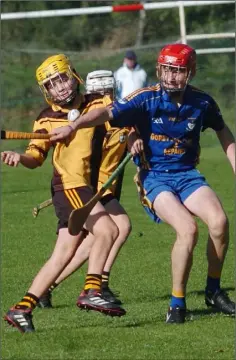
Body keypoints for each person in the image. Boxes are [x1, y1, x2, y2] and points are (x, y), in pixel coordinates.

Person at [50, 43, 235, 324]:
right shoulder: (146, 98)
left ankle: (213, 291)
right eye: (168, 70)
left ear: (190, 73)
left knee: (220, 223)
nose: (172, 77)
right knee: (188, 229)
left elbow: (224, 133)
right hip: (156, 177)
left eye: (179, 71)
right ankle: (177, 303)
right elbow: (106, 113)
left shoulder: (203, 102)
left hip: (187, 175)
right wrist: (75, 125)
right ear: (159, 70)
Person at [2, 55, 126, 333]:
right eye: (51, 84)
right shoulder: (44, 120)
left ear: (74, 75)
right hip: (69, 186)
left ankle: (21, 309)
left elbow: (111, 113)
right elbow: (36, 156)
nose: (59, 87)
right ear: (45, 91)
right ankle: (92, 289)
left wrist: (75, 124)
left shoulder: (95, 103)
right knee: (107, 229)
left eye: (62, 78)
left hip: (85, 186)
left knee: (62, 254)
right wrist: (19, 157)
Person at [37, 69, 136, 309]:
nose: (105, 95)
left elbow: (132, 130)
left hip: (106, 184)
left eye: (108, 91)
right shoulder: (91, 121)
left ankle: (49, 288)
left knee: (92, 240)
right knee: (117, 228)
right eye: (99, 92)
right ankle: (97, 284)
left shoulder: (117, 114)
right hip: (95, 186)